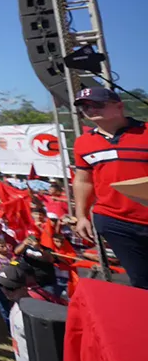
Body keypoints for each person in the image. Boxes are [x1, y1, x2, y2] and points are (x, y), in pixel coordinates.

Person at [72, 86, 148, 289]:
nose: (89, 109)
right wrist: (81, 216)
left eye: (97, 104)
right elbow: (83, 180)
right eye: (84, 106)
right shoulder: (83, 143)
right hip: (115, 221)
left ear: (119, 106)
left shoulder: (145, 132)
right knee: (141, 279)